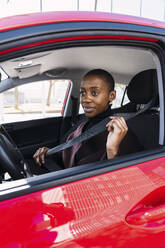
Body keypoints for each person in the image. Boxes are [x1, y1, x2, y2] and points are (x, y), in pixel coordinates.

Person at [33, 69, 142, 172]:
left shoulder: (120, 132)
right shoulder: (82, 125)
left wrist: (112, 151)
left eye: (94, 93)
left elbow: (128, 177)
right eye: (83, 93)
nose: (85, 99)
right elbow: (69, 155)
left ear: (111, 96)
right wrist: (49, 153)